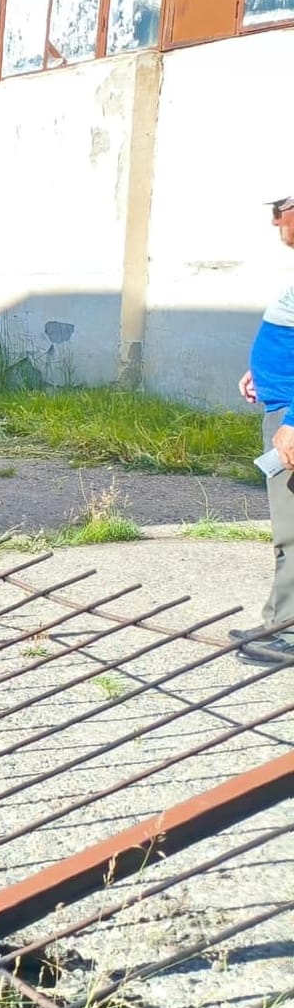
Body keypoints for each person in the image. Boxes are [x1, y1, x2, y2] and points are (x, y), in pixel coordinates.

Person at [235, 193, 294, 665]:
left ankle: (290, 635)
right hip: (282, 407)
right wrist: (263, 374)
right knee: (285, 529)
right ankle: (278, 620)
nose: (275, 221)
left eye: (281, 208)